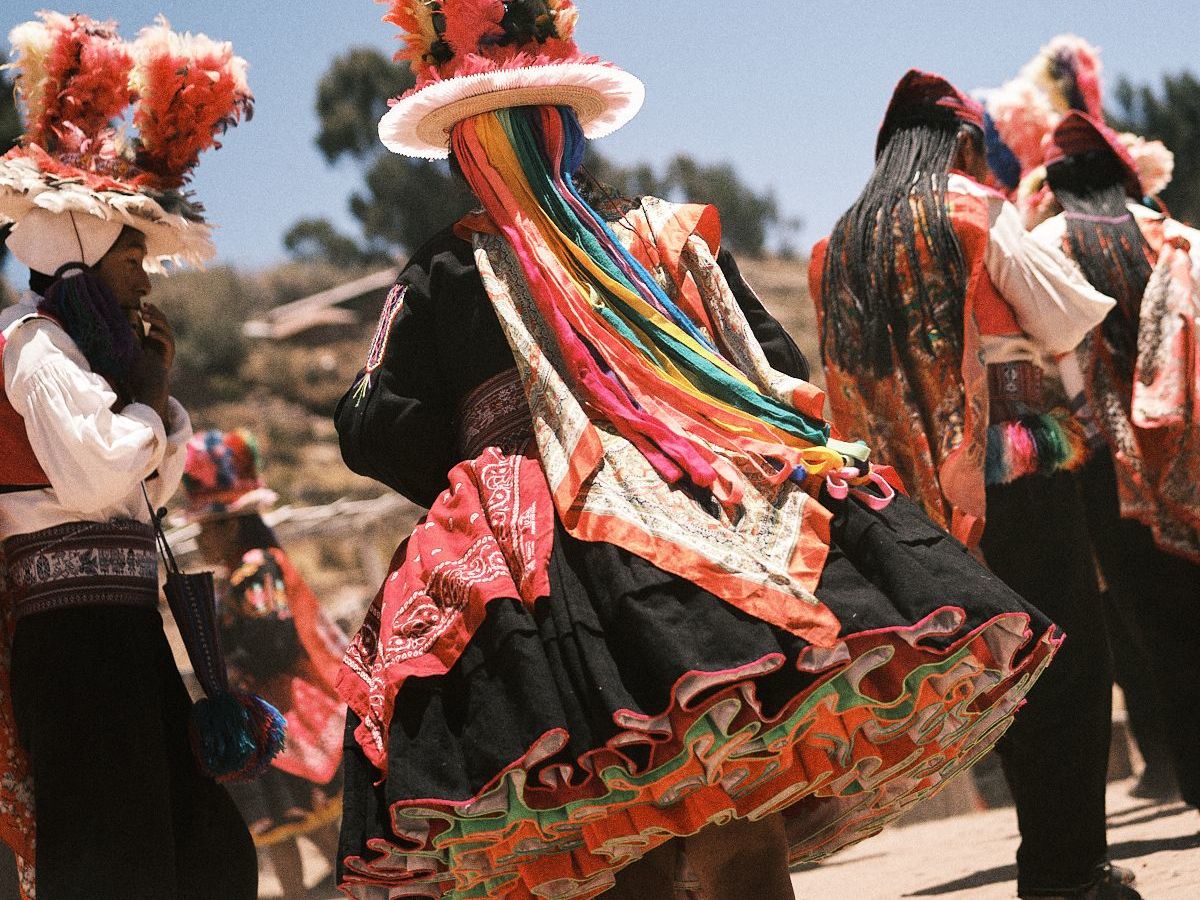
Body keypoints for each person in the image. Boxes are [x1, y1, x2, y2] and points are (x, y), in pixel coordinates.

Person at [333, 5, 1060, 899]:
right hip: (715, 507)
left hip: (553, 566)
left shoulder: (443, 272)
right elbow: (776, 368)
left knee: (617, 826)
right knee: (737, 810)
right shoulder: (665, 237)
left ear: (464, 151)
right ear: (563, 132)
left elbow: (369, 419)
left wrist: (490, 464)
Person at [809, 71, 1137, 900]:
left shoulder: (835, 246)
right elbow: (1067, 315)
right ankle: (1067, 873)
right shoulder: (972, 210)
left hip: (909, 501)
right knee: (1067, 660)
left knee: (994, 673)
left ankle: (1054, 864)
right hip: (1010, 466)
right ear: (958, 143)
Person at [0, 12, 257, 900]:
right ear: (82, 255)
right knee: (116, 861)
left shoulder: (86, 362)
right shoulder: (35, 348)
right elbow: (100, 472)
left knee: (197, 850)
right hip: (73, 644)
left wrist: (153, 395)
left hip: (118, 630)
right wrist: (148, 395)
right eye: (131, 260)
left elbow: (152, 479)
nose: (144, 282)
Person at [1031, 110, 1200, 812]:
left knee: (1155, 628)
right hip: (1188, 444)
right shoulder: (1178, 237)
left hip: (1105, 464)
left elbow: (1039, 357)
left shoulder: (1047, 242)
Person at [184, 429, 348, 898]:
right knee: (281, 826)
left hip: (282, 709)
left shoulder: (255, 569)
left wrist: (231, 664)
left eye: (204, 529)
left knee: (306, 820)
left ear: (230, 524)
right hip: (260, 712)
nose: (199, 539)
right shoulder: (240, 574)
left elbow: (272, 641)